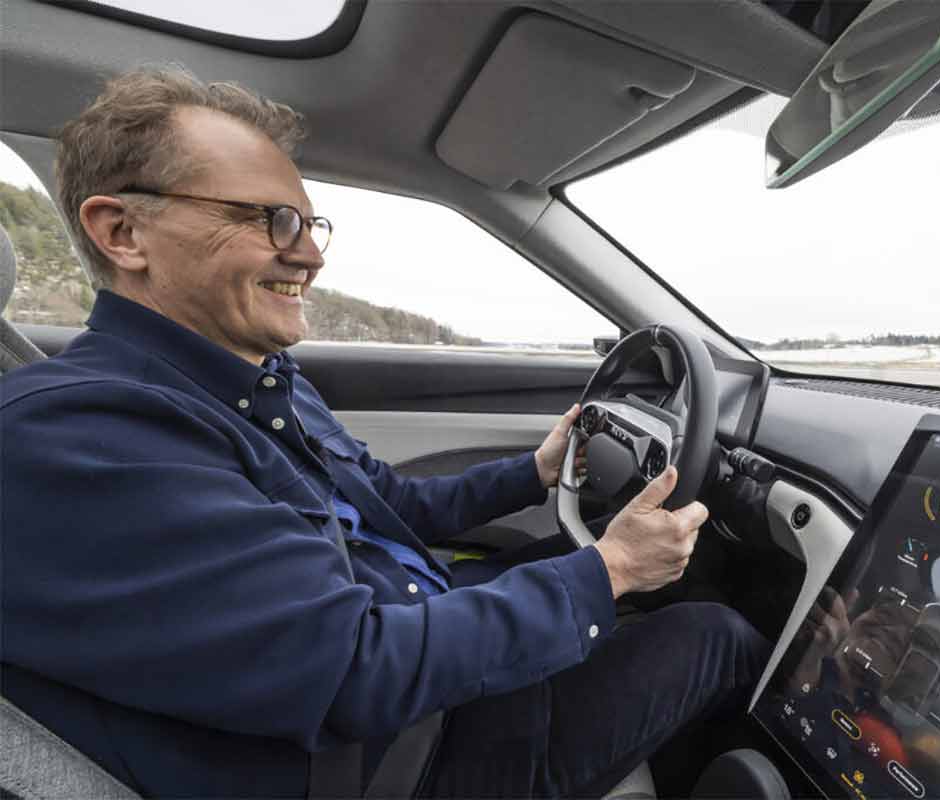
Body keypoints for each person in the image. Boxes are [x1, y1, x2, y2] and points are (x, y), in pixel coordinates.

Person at [0, 67, 769, 798]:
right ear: (124, 231)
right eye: (272, 220)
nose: (310, 253)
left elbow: (392, 503)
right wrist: (610, 574)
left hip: (402, 639)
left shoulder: (259, 379)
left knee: (678, 577)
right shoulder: (75, 433)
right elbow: (352, 673)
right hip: (392, 763)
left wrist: (533, 473)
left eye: (309, 222)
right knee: (716, 631)